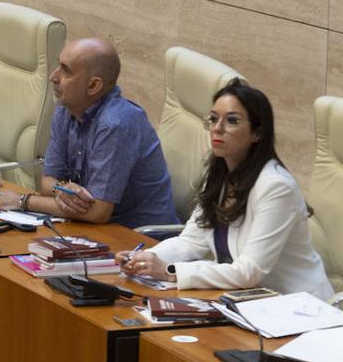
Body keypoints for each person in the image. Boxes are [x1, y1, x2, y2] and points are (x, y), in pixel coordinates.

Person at [117, 81, 333, 298]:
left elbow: (249, 272)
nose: (217, 128)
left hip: (296, 306)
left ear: (257, 133)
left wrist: (168, 271)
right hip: (247, 301)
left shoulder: (276, 187)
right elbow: (192, 240)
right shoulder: (218, 174)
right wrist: (145, 258)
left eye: (232, 121)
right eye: (213, 119)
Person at [1, 37, 179, 227]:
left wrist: (23, 201)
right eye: (58, 66)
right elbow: (46, 182)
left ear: (94, 86)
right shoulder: (65, 108)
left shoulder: (116, 123)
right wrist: (61, 190)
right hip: (91, 228)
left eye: (66, 71)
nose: (53, 76)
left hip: (139, 238)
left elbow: (98, 212)